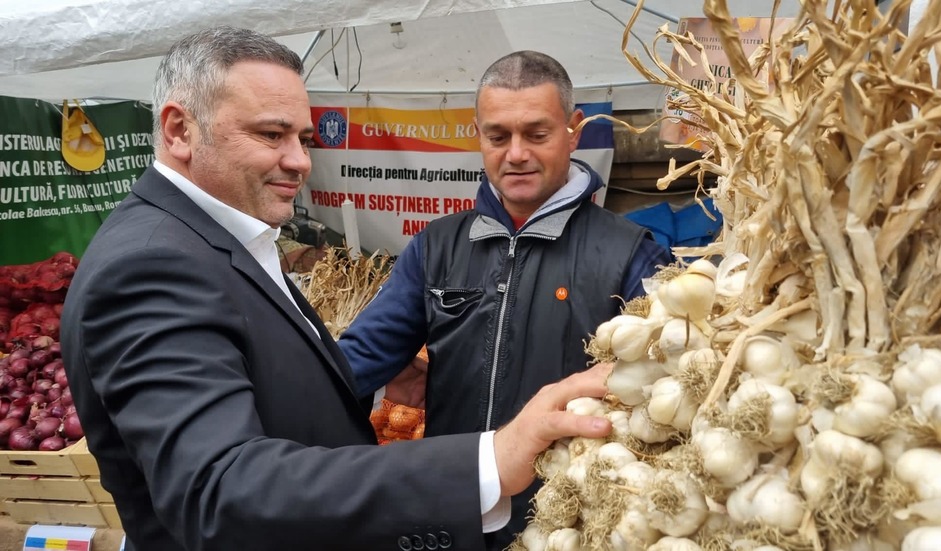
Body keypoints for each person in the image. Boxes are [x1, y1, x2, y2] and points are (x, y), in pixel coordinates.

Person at [60, 28, 615, 551]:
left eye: (303, 138)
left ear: (573, 131)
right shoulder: (153, 264)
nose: (301, 162)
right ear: (180, 130)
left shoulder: (217, 240)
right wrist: (490, 460)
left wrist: (340, 383)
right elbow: (217, 488)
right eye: (271, 135)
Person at [338, 50, 673, 549]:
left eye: (536, 134)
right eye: (498, 136)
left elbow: (661, 391)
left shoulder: (630, 254)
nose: (515, 153)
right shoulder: (436, 246)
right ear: (477, 134)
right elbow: (357, 361)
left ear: (573, 130)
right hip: (452, 511)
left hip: (567, 523)